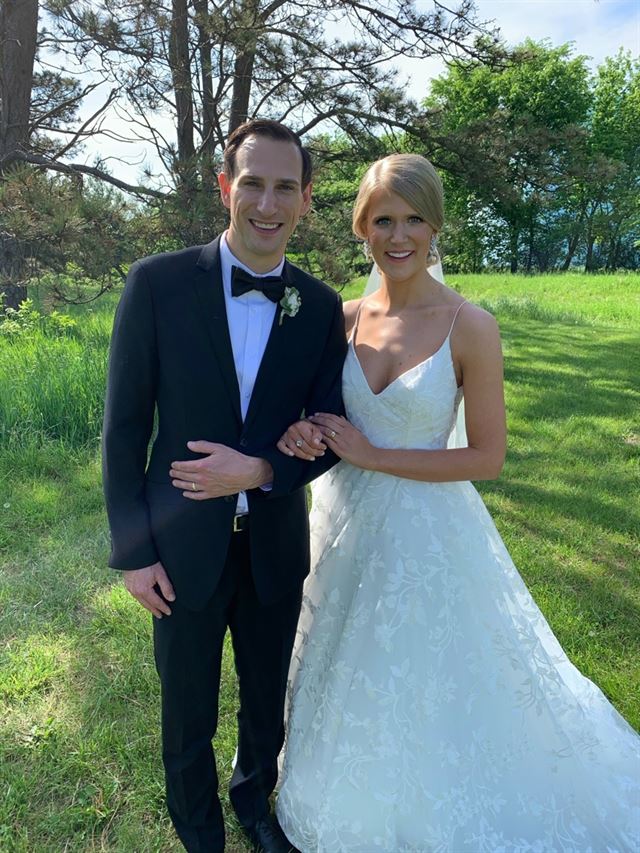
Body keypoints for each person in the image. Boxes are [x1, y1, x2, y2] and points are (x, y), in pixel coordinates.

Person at [274, 153, 640, 851]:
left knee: (434, 669)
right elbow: (315, 415)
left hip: (430, 529)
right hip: (341, 522)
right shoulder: (339, 319)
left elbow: (486, 457)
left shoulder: (470, 325)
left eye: (415, 219)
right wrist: (302, 432)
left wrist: (374, 454)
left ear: (436, 226)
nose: (400, 235)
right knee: (342, 660)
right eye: (384, 219)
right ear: (362, 227)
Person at [102, 118, 347, 853]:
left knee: (266, 699)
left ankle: (253, 803)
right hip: (181, 549)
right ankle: (198, 827)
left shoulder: (321, 307)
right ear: (224, 188)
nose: (267, 205)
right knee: (187, 704)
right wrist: (134, 553)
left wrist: (265, 469)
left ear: (305, 199)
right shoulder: (157, 284)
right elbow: (123, 429)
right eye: (253, 184)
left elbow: (329, 429)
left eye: (284, 188)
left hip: (275, 544)